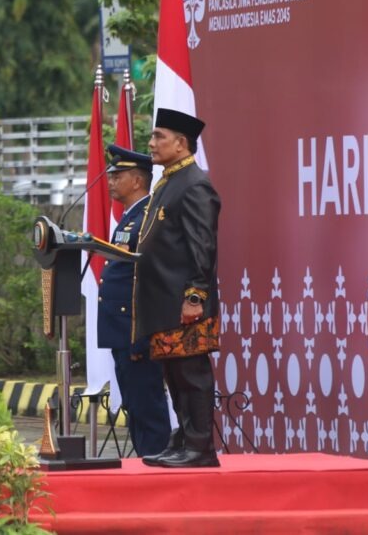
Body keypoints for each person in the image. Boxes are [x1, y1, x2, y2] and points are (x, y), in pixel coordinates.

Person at [135, 108, 221, 469]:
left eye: (159, 137)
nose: (151, 143)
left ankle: (200, 446)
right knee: (174, 373)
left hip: (185, 302)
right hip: (163, 301)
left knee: (191, 374)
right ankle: (183, 439)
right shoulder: (169, 181)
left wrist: (195, 296)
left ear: (181, 144)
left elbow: (203, 246)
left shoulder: (195, 184)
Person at [99, 145, 170, 457]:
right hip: (122, 331)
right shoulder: (130, 217)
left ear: (138, 181)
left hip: (135, 332)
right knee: (135, 406)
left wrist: (141, 335)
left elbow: (149, 281)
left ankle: (155, 472)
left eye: (118, 175)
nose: (111, 181)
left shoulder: (148, 217)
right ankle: (145, 464)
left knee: (147, 408)